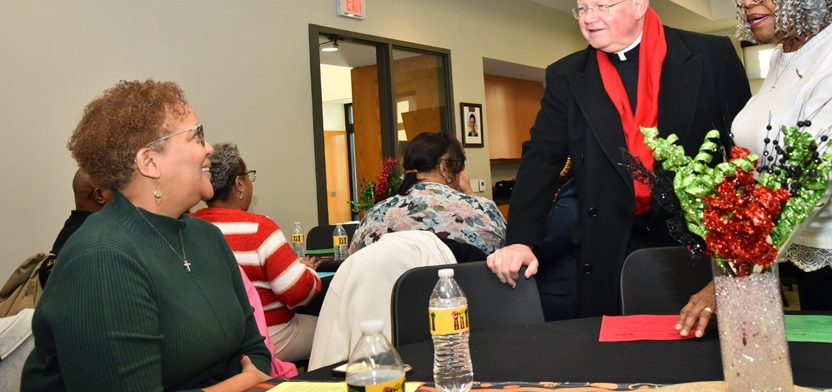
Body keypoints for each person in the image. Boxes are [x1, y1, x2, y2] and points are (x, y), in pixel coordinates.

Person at [487, 0, 751, 318]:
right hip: (604, 248)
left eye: (601, 6)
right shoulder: (567, 75)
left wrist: (745, 246)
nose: (588, 18)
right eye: (581, 8)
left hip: (694, 247)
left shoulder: (710, 57)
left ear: (639, 4)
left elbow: (745, 155)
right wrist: (520, 240)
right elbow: (540, 159)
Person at [21, 80, 271, 391]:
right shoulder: (101, 259)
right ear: (149, 162)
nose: (209, 149)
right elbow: (252, 374)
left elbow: (258, 354)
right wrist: (242, 382)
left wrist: (248, 376)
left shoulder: (207, 237)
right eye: (197, 137)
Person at [678, 0, 832, 338]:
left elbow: (806, 184)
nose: (749, 0)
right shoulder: (786, 54)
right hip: (802, 258)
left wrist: (730, 278)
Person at [191, 142, 323, 363]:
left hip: (216, 342)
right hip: (270, 335)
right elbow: (297, 291)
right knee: (335, 331)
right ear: (239, 184)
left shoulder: (190, 225)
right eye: (249, 176)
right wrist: (308, 273)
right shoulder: (259, 228)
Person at [350, 132, 506, 262]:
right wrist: (472, 196)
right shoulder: (483, 209)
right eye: (459, 165)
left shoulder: (375, 214)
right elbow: (507, 257)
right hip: (469, 296)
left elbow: (353, 263)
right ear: (445, 168)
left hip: (393, 298)